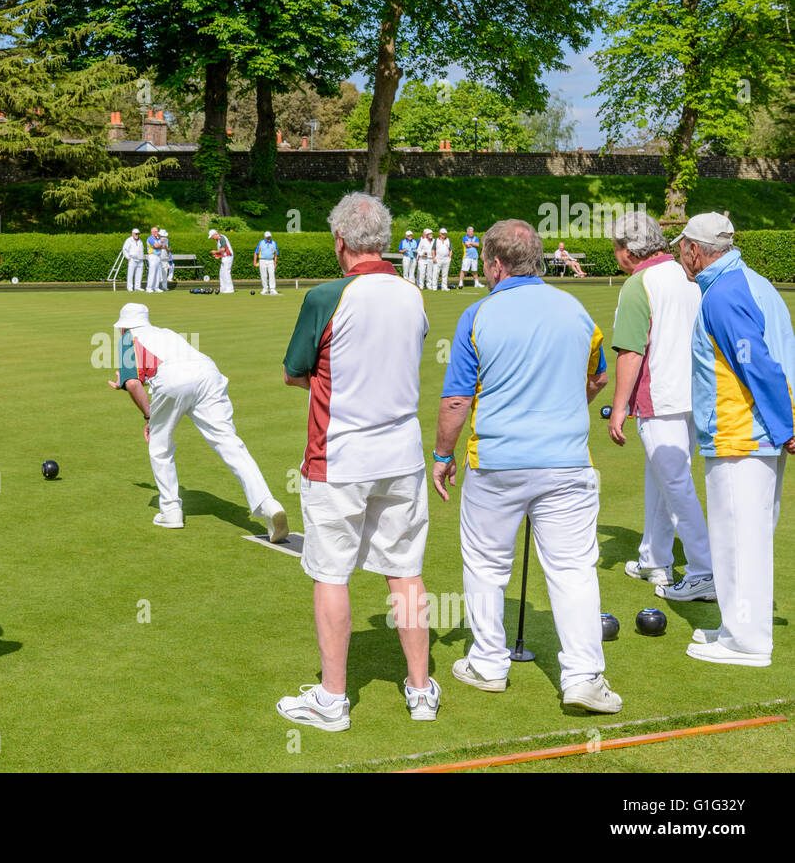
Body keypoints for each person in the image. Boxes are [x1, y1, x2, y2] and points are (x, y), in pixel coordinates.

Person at [432, 218, 621, 714]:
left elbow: (455, 402)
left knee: (487, 565)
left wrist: (442, 457)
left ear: (494, 264)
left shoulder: (478, 314)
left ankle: (488, 664)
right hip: (565, 463)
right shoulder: (578, 312)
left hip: (495, 462)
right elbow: (598, 377)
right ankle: (583, 677)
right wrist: (564, 406)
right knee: (574, 569)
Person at [274, 192, 438, 730]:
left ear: (340, 242)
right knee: (405, 573)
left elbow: (295, 371)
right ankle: (419, 689)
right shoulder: (413, 293)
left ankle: (332, 698)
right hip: (402, 455)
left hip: (339, 455)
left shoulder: (326, 295)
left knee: (331, 573)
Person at [678, 212, 795, 667]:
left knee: (738, 538)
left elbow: (757, 364)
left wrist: (785, 427)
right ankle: (737, 624)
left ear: (697, 250)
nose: (679, 254)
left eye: (682, 246)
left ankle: (746, 641)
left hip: (742, 433)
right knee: (743, 536)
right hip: (752, 431)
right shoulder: (749, 282)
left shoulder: (724, 295)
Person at [107, 302, 288, 539]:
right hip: (208, 373)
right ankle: (267, 504)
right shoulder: (166, 334)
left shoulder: (128, 337)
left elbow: (133, 383)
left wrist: (149, 416)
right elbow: (148, 375)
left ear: (124, 327)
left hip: (175, 378)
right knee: (228, 442)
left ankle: (171, 510)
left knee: (160, 446)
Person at [607, 212, 713, 601]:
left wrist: (619, 407)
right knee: (663, 480)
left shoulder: (640, 283)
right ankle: (655, 557)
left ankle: (705, 569)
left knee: (676, 485)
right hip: (694, 396)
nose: (615, 255)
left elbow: (631, 350)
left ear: (627, 250)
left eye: (615, 247)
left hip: (661, 398)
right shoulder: (691, 276)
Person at [208, 229, 234, 293]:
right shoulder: (218, 240)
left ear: (215, 234)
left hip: (228, 257)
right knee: (221, 273)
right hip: (225, 257)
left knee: (226, 272)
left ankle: (230, 289)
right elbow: (222, 252)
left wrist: (215, 252)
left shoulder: (222, 238)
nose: (212, 238)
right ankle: (223, 288)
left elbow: (223, 249)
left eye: (212, 237)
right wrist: (218, 255)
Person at [145, 226, 163, 293]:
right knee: (152, 272)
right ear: (152, 232)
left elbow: (162, 246)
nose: (156, 232)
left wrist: (160, 245)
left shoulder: (158, 239)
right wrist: (160, 245)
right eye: (155, 231)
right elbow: (155, 246)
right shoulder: (150, 238)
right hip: (152, 256)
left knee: (158, 272)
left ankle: (156, 287)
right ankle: (149, 287)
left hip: (158, 256)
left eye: (157, 231)